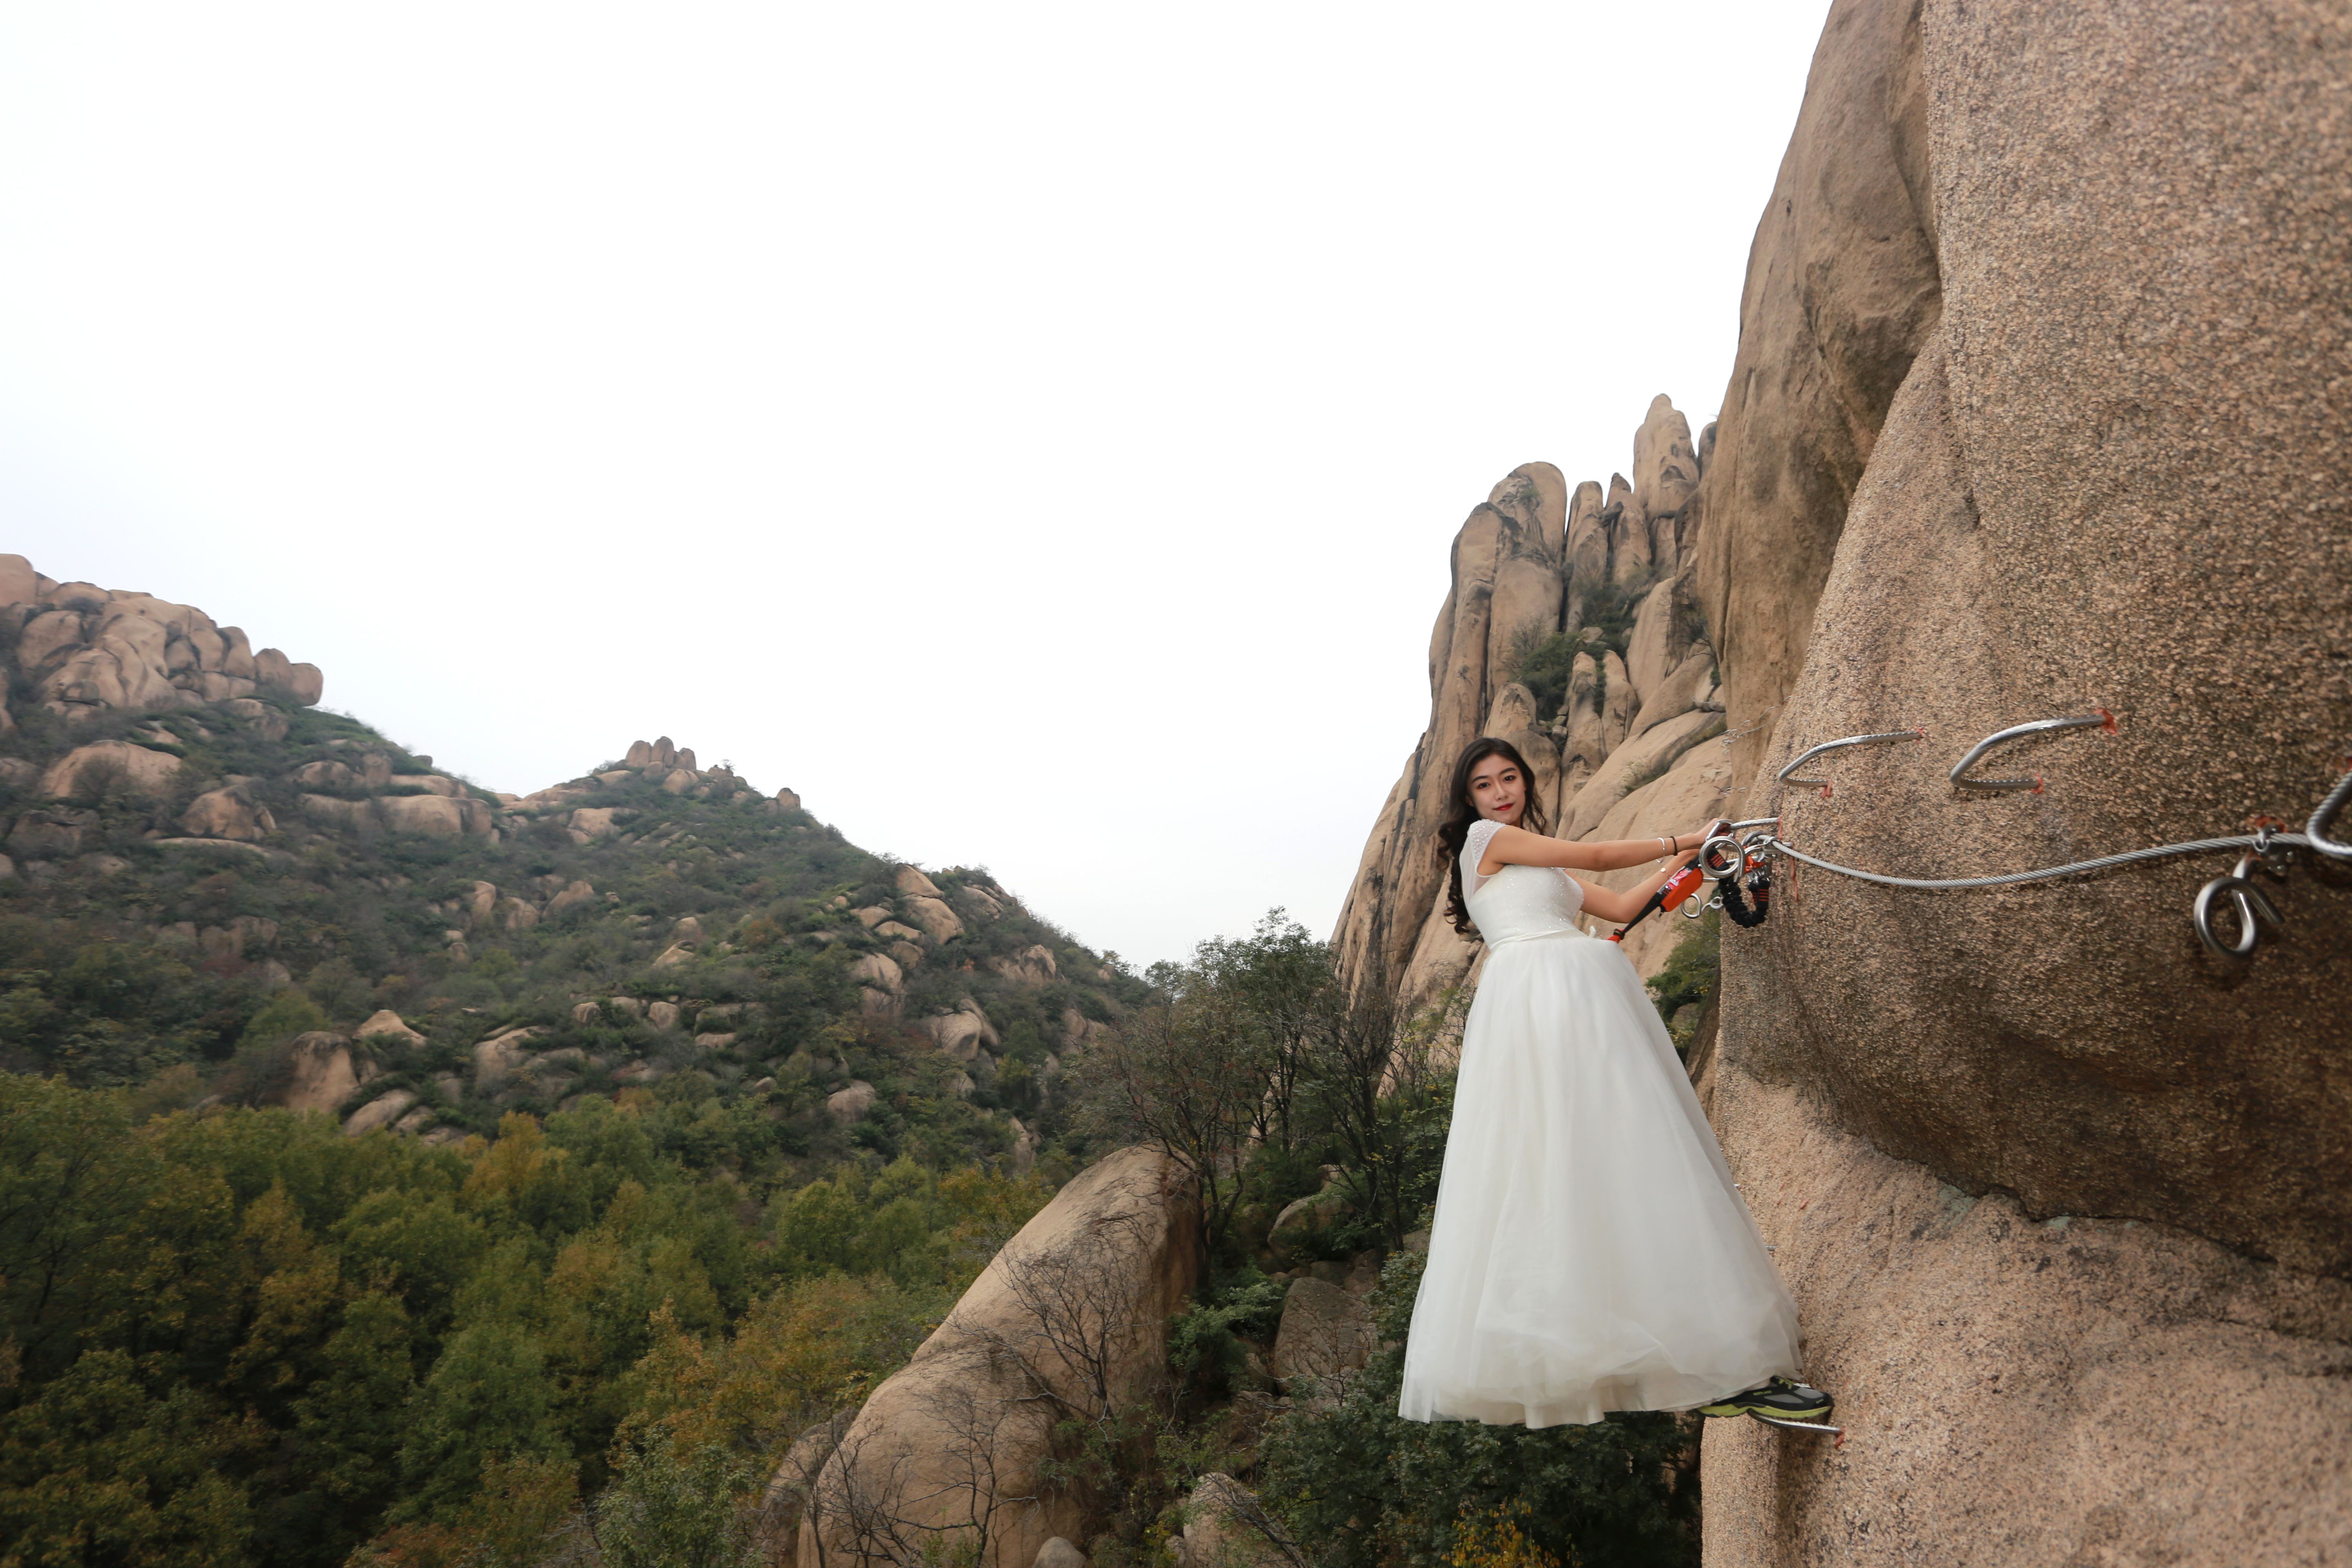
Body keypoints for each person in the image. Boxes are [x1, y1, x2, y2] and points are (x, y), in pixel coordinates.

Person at [1396, 735, 1831, 1428]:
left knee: (1632, 1159)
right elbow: (1597, 854)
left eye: (1511, 778)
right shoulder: (1486, 840)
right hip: (1541, 1000)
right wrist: (1685, 834)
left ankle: (1717, 1363)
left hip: (1581, 997)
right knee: (1570, 1163)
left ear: (1526, 783)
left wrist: (1695, 859)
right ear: (1469, 800)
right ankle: (1705, 1363)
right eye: (1486, 784)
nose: (1501, 792)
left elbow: (1624, 907)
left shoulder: (1543, 872)